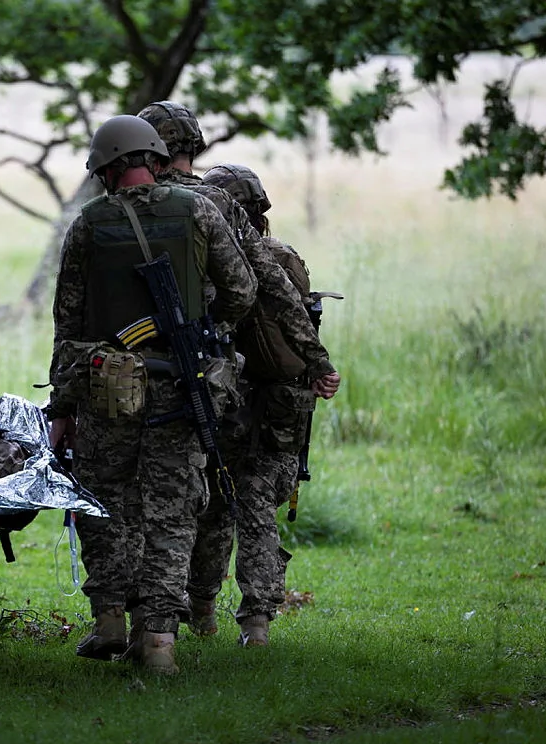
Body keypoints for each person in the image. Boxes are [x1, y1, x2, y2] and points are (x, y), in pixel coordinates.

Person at [47, 115, 257, 674]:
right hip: (180, 384)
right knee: (172, 513)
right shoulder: (199, 210)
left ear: (110, 168)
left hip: (105, 388)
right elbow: (241, 289)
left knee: (102, 501)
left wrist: (62, 407)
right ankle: (159, 638)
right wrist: (201, 327)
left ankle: (110, 618)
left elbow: (67, 324)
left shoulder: (89, 225)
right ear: (155, 157)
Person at [138, 101, 341, 646]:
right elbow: (276, 294)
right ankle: (250, 620)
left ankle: (176, 616)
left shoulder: (150, 206)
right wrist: (319, 362)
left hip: (182, 377)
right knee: (242, 498)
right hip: (248, 390)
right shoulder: (225, 211)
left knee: (190, 499)